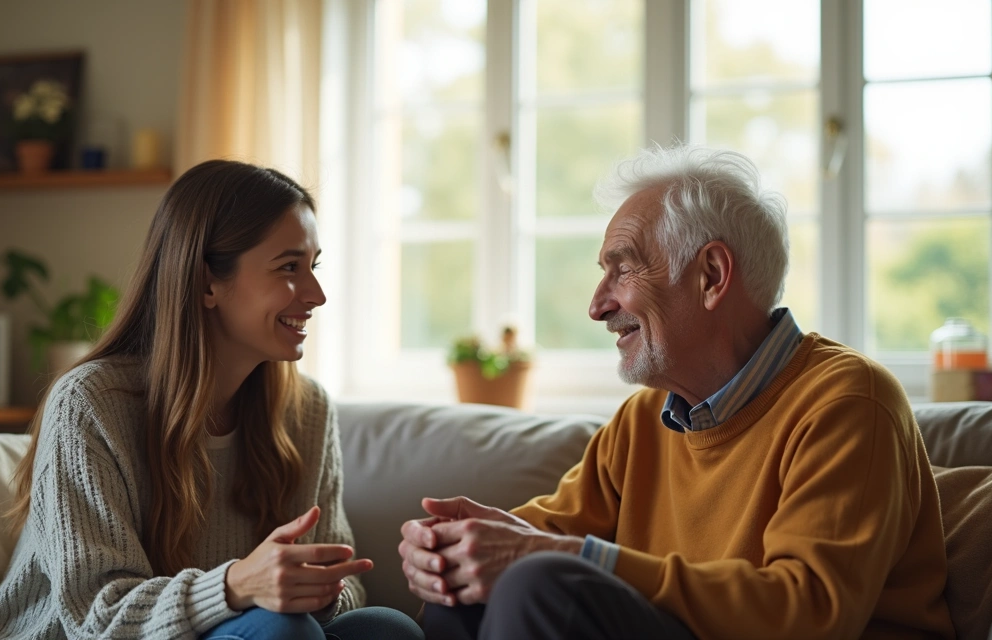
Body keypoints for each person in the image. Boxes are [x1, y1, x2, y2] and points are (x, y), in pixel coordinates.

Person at [398, 145, 955, 640]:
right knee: (462, 600)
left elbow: (809, 611)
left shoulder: (848, 400)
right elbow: (554, 532)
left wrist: (557, 557)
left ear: (711, 275)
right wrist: (463, 545)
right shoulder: (646, 417)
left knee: (537, 586)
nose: (597, 305)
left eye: (623, 270)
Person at [0, 160, 423, 640]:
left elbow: (343, 574)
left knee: (385, 629)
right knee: (285, 633)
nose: (317, 294)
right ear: (207, 282)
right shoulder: (90, 403)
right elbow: (96, 615)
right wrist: (235, 586)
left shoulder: (306, 411)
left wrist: (320, 586)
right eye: (289, 267)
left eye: (314, 266)